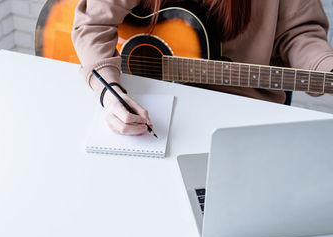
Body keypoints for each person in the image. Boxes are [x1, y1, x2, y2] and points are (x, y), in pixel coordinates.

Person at [72, 0, 333, 136]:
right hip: (150, 109)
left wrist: (326, 68)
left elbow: (300, 33)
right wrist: (110, 92)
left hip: (242, 113)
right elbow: (93, 24)